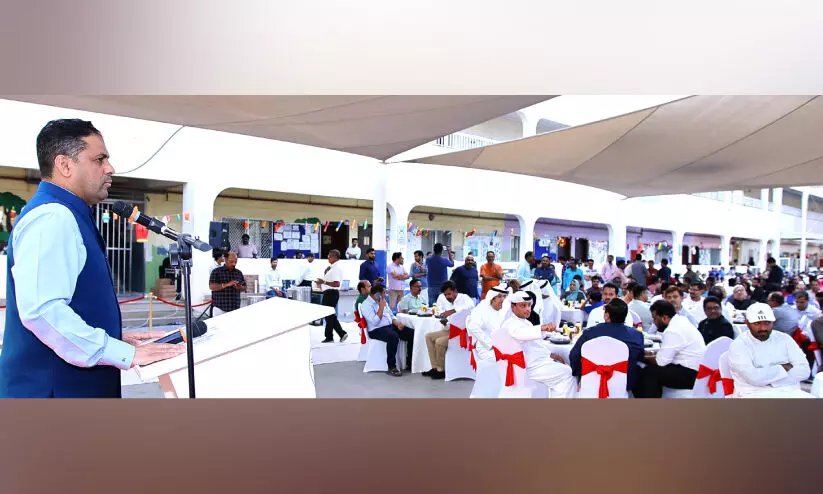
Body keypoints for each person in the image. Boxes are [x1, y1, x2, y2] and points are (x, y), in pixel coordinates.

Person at [0, 119, 184, 398]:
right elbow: (43, 311)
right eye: (99, 159)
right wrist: (116, 350)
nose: (110, 168)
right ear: (65, 165)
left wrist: (112, 338)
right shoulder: (53, 217)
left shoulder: (68, 213)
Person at [726, 303, 812, 398]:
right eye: (757, 323)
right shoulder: (739, 344)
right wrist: (783, 368)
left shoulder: (785, 339)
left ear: (773, 323)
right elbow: (754, 378)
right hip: (753, 394)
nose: (763, 328)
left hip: (788, 390)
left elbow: (804, 370)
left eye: (767, 323)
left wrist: (771, 381)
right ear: (747, 323)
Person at [503, 291, 577, 397]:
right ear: (513, 306)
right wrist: (541, 327)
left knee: (566, 368)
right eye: (523, 305)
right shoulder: (510, 323)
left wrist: (550, 354)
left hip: (536, 362)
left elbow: (535, 344)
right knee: (568, 373)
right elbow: (520, 334)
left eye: (529, 305)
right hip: (527, 367)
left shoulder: (526, 323)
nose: (528, 309)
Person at [566, 298, 644, 392]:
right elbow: (640, 357)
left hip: (591, 383)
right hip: (623, 386)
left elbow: (574, 355)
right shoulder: (636, 335)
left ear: (607, 316)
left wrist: (582, 376)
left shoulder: (590, 333)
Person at [633, 300, 706, 398]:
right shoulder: (680, 321)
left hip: (691, 375)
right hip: (695, 370)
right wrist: (650, 355)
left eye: (655, 318)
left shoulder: (673, 330)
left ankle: (650, 405)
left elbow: (661, 362)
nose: (654, 322)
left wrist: (643, 356)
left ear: (665, 318)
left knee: (650, 372)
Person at [423, 281, 475, 379]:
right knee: (428, 336)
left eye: (449, 294)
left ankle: (441, 370)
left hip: (462, 333)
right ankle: (434, 368)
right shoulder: (444, 299)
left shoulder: (464, 298)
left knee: (439, 342)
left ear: (455, 291)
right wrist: (444, 322)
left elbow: (470, 307)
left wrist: (452, 311)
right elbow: (443, 315)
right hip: (449, 330)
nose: (447, 297)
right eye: (445, 295)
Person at [360, 284, 414, 376]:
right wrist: (381, 307)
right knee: (393, 336)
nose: (385, 294)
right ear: (377, 294)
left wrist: (397, 324)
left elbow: (391, 315)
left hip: (390, 326)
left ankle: (409, 362)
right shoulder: (366, 305)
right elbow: (375, 321)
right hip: (376, 330)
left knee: (410, 333)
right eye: (384, 292)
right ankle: (391, 366)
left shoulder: (382, 300)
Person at [466, 285, 510, 364]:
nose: (502, 299)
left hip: (501, 346)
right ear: (492, 298)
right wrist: (490, 344)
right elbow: (472, 327)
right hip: (486, 349)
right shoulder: (482, 309)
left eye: (504, 296)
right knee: (510, 359)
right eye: (499, 296)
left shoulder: (502, 310)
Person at [315, 249, 349, 343]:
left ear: (335, 257)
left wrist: (324, 282)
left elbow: (336, 284)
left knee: (328, 315)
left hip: (331, 293)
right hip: (329, 292)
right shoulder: (331, 268)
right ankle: (340, 333)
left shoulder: (336, 269)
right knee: (330, 315)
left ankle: (330, 336)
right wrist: (321, 283)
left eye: (329, 256)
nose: (328, 257)